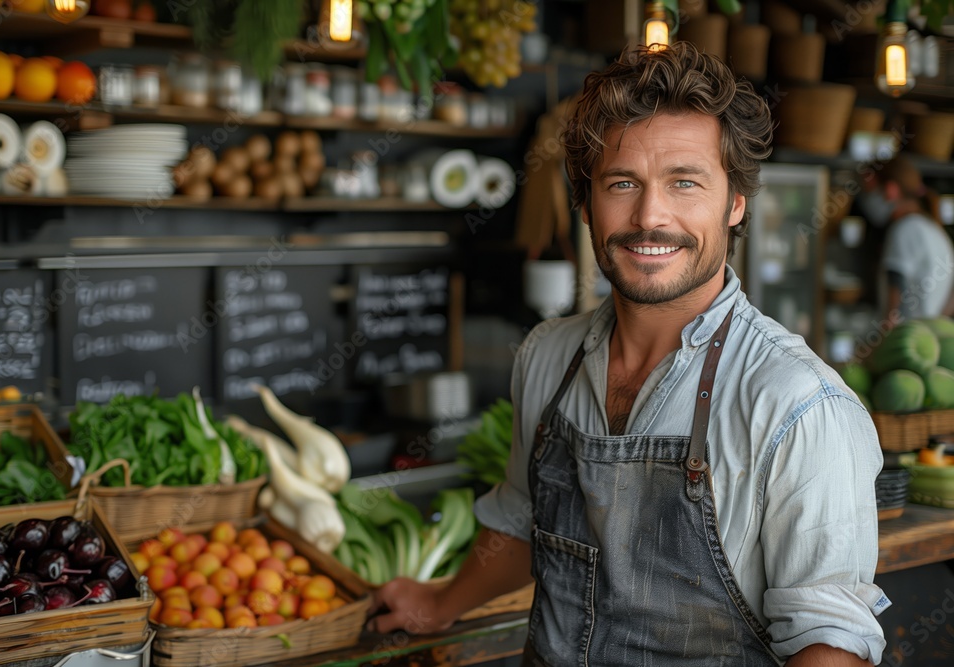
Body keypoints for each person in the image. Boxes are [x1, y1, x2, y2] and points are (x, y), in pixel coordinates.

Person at [369, 42, 889, 666]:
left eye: (684, 183)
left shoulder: (799, 404)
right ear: (586, 203)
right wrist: (441, 603)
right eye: (622, 183)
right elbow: (518, 521)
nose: (649, 216)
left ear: (735, 203)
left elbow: (830, 643)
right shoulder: (546, 357)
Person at [870, 154, 954, 326]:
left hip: (904, 338)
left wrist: (881, 336)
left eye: (872, 190)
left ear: (890, 189)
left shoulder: (905, 229)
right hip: (924, 336)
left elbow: (896, 289)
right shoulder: (933, 229)